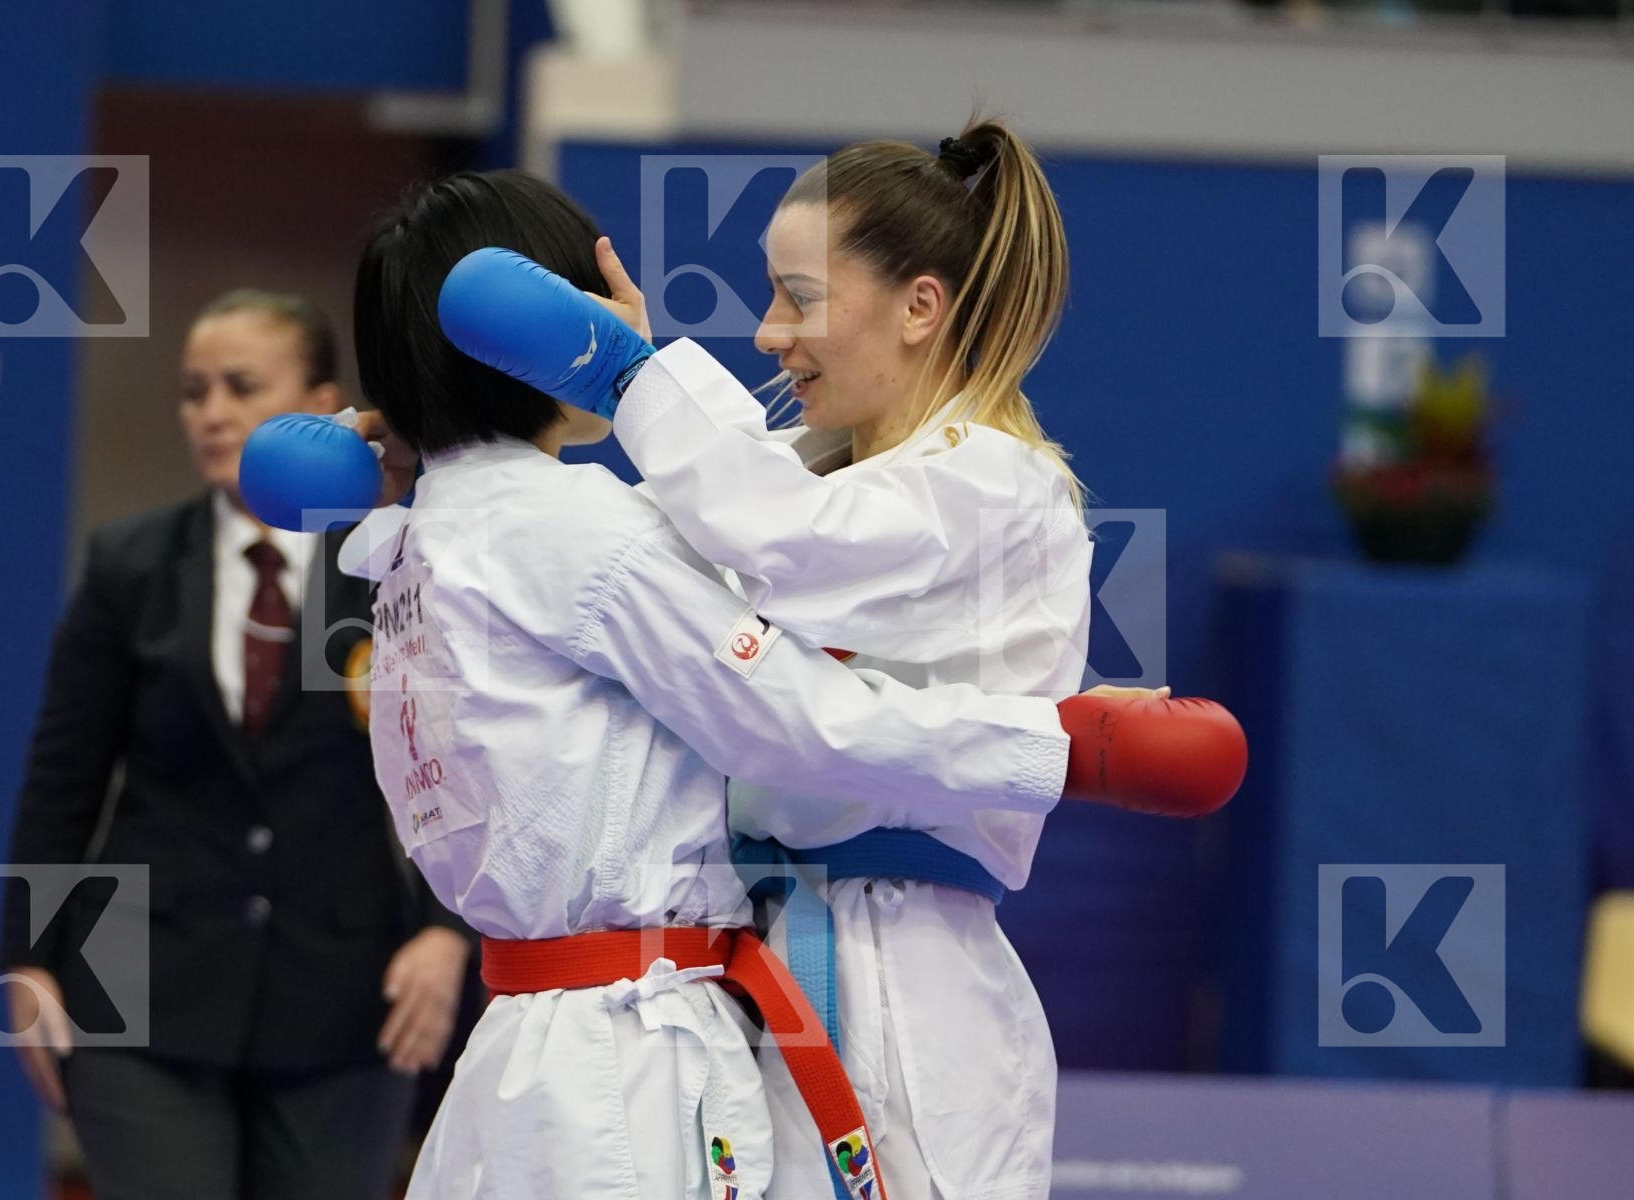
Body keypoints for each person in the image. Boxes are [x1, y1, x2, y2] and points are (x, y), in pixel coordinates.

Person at [338, 168, 1086, 1200]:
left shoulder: (988, 476)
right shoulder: (589, 522)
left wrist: (613, 381)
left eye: (799, 297)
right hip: (693, 994)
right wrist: (1068, 748)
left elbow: (748, 523)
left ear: (921, 306)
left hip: (895, 975)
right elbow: (746, 599)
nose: (771, 334)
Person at [0, 290, 473, 1200]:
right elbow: (63, 777)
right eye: (192, 391)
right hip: (135, 991)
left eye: (241, 386)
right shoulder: (129, 564)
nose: (212, 412)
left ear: (321, 402)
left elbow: (458, 771)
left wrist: (448, 936)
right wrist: (26, 957)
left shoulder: (394, 565)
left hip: (348, 999)